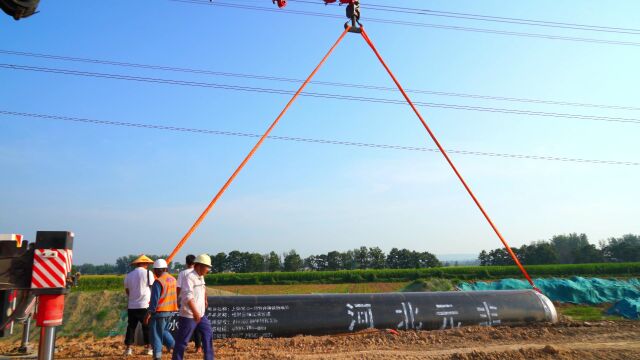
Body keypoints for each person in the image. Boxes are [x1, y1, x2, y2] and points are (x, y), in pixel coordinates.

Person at [172, 254, 213, 360]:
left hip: (200, 315)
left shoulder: (200, 276)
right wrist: (195, 312)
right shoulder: (189, 277)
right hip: (188, 315)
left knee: (208, 333)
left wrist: (205, 299)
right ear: (199, 265)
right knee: (182, 341)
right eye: (207, 267)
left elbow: (203, 288)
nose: (208, 269)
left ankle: (209, 358)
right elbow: (187, 297)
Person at [145, 259, 177, 360]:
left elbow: (154, 300)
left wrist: (149, 313)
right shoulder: (173, 279)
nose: (154, 272)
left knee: (156, 335)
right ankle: (175, 347)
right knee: (164, 331)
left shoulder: (158, 282)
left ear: (158, 270)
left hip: (159, 312)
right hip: (170, 311)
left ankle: (157, 356)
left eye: (155, 270)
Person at [124, 254, 155, 356]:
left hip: (132, 305)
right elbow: (152, 287)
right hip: (145, 304)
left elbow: (127, 290)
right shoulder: (148, 273)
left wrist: (133, 297)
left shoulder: (129, 275)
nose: (147, 265)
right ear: (143, 263)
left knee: (131, 327)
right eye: (146, 263)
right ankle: (149, 348)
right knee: (146, 326)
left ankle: (128, 348)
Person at [177, 255, 202, 353]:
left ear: (186, 263)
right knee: (197, 326)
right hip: (198, 303)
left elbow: (178, 288)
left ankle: (181, 347)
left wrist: (175, 299)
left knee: (185, 327)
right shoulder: (198, 273)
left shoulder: (182, 273)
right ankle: (198, 347)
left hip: (187, 303)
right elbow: (203, 288)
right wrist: (205, 300)